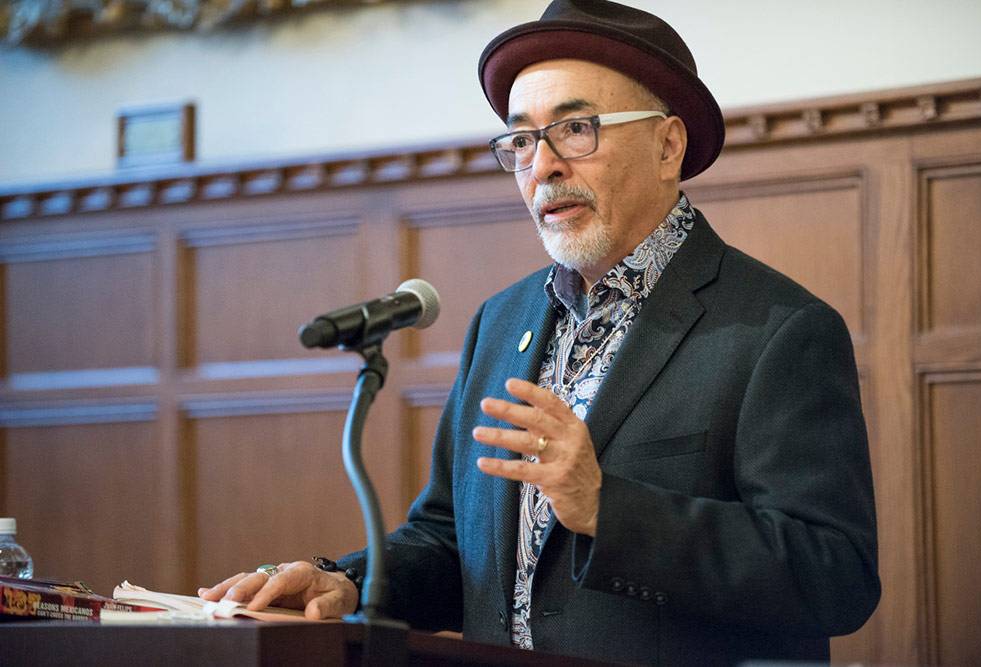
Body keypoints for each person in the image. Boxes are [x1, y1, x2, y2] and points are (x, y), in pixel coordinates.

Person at [199, 1, 880, 663]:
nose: (542, 165)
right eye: (522, 140)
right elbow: (449, 540)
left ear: (667, 145)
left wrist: (608, 510)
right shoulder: (501, 322)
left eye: (577, 128)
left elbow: (836, 576)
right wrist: (347, 582)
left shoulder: (778, 330)